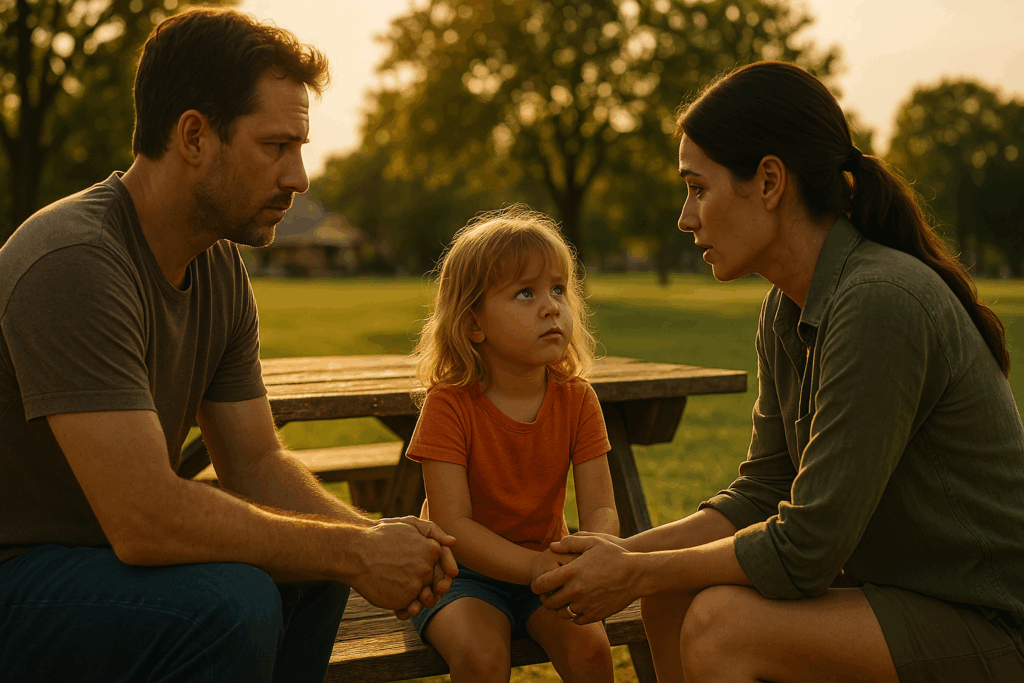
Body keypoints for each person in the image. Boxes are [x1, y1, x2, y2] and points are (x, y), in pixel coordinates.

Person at [0, 8, 455, 682]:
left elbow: (257, 461)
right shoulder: (75, 259)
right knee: (232, 603)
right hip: (20, 571)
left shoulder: (216, 266)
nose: (299, 177)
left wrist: (370, 538)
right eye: (277, 147)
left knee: (309, 567)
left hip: (98, 561)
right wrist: (356, 550)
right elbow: (145, 517)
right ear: (193, 136)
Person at [531, 61, 1024, 683]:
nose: (686, 218)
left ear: (768, 181)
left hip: (988, 621)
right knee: (672, 595)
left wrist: (636, 568)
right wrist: (619, 556)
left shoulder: (879, 299)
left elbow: (807, 548)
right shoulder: (787, 308)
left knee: (723, 627)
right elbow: (764, 491)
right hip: (899, 599)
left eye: (698, 187)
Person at [403, 206, 619, 682]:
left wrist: (588, 553)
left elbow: (602, 507)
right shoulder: (449, 406)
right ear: (473, 324)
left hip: (547, 572)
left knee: (592, 653)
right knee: (482, 660)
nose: (551, 307)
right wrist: (538, 566)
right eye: (525, 293)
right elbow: (452, 522)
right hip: (460, 576)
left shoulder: (577, 399)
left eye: (558, 289)